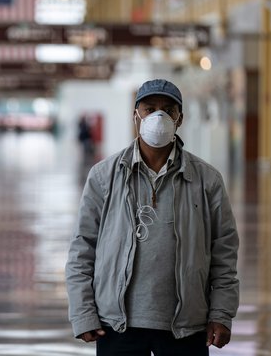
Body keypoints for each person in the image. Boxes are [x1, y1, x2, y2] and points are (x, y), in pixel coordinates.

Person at [65, 79, 239, 355]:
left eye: (169, 110)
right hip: (117, 324)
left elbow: (224, 253)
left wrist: (221, 313)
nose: (159, 116)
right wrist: (83, 312)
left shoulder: (206, 180)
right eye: (150, 109)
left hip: (186, 325)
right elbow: (82, 248)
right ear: (136, 115)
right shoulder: (104, 176)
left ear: (180, 119)